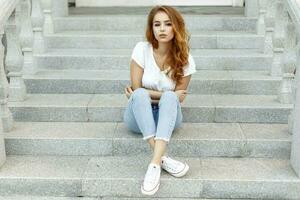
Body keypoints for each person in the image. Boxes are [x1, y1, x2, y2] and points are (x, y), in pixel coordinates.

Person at [123, 5, 196, 196]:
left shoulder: (186, 59)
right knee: (140, 96)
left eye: (167, 24)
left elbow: (178, 98)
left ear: (176, 27)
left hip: (168, 116)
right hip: (139, 115)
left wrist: (164, 96)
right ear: (152, 28)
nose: (162, 29)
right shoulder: (142, 49)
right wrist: (165, 94)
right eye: (157, 24)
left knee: (169, 97)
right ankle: (162, 159)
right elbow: (137, 90)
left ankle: (154, 165)